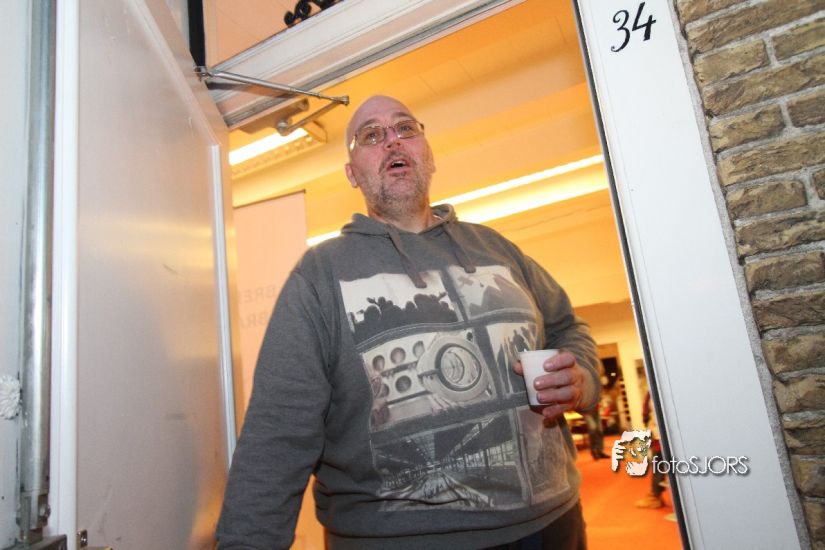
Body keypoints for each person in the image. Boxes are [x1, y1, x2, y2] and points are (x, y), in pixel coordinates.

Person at [216, 95, 601, 549]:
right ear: (352, 173)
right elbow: (278, 434)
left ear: (428, 153)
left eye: (405, 129)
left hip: (552, 527)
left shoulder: (497, 249)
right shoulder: (320, 274)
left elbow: (567, 328)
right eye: (371, 136)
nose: (392, 141)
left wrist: (581, 379)